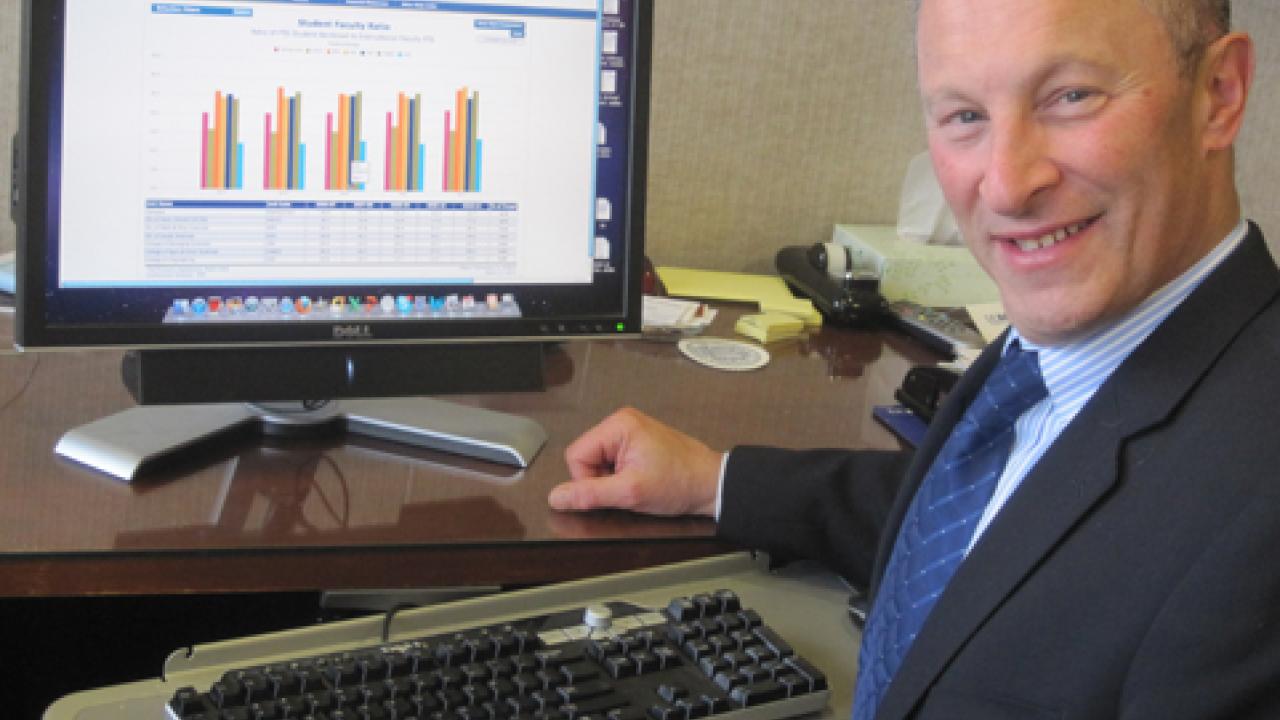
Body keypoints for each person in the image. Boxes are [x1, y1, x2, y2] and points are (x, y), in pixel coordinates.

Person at [549, 0, 1280, 717]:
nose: (1006, 183)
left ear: (1219, 94)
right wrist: (717, 479)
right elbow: (996, 520)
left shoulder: (1256, 528)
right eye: (965, 115)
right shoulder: (1069, 357)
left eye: (1071, 97)